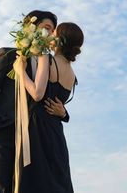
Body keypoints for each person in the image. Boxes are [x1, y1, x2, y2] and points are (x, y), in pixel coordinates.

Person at [0, 10, 69, 193]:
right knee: (0, 187)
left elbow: (53, 96)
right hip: (3, 132)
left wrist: (64, 113)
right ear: (31, 28)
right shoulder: (9, 55)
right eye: (47, 28)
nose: (51, 34)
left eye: (52, 31)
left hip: (33, 138)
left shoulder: (49, 63)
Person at [17, 22, 84, 193]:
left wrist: (20, 71)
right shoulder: (72, 74)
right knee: (57, 182)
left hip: (38, 129)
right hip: (56, 133)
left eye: (55, 32)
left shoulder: (46, 59)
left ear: (59, 40)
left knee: (35, 182)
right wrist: (63, 113)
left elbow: (37, 94)